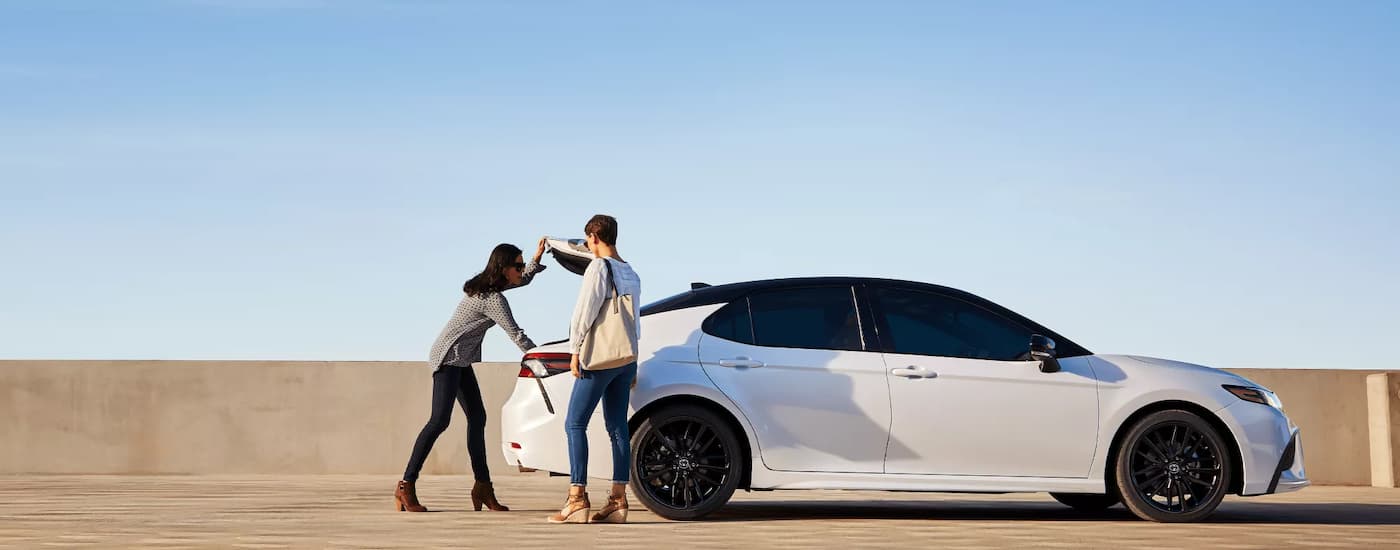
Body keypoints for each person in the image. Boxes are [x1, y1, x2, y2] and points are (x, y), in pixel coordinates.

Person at [395, 238, 548, 513]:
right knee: (439, 420)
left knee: (478, 418)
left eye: (523, 265)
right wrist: (542, 358)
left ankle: (483, 487)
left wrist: (535, 260)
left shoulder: (492, 288)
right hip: (447, 357)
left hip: (461, 361)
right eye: (518, 265)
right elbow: (515, 333)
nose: (521, 270)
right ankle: (406, 484)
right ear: (503, 268)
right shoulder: (492, 298)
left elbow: (522, 280)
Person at [549, 215, 642, 524]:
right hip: (625, 359)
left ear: (593, 237)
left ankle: (576, 499)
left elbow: (584, 313)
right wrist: (634, 360)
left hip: (599, 360)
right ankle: (618, 501)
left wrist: (574, 350)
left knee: (574, 424)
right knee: (617, 427)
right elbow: (634, 323)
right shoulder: (630, 271)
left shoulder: (598, 268)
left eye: (588, 239)